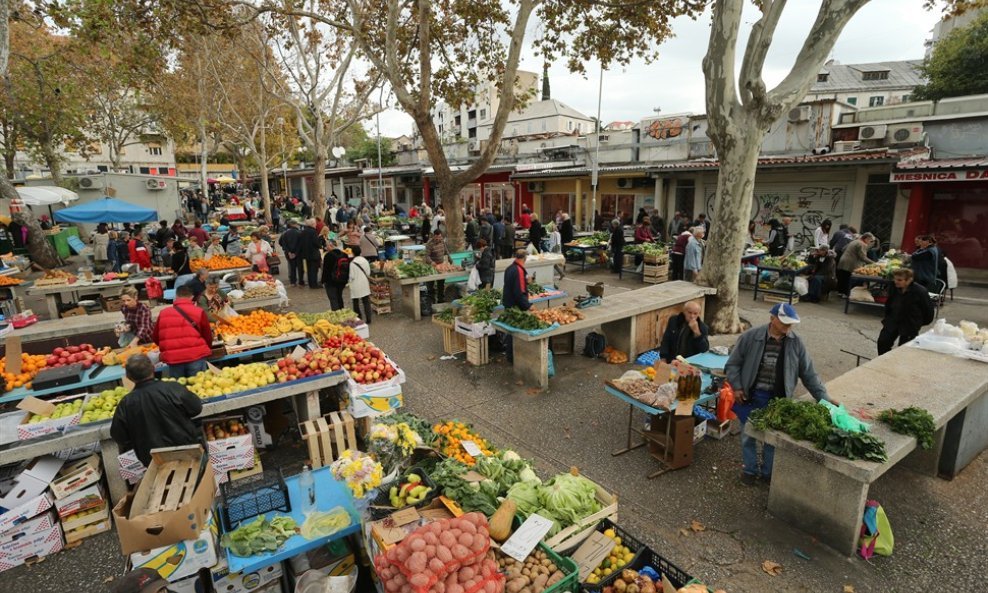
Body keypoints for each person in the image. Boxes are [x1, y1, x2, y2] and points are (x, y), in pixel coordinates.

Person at [725, 303, 833, 485]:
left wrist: (825, 400)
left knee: (773, 440)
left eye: (790, 324)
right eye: (784, 323)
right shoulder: (751, 337)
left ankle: (768, 474)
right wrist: (736, 387)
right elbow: (733, 364)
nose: (788, 328)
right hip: (751, 396)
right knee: (747, 436)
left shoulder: (796, 343)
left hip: (778, 400)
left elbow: (809, 374)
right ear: (772, 319)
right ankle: (750, 471)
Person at [152, 285, 213, 378]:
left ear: (176, 296)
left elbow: (156, 337)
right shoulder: (199, 311)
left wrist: (169, 348)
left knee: (179, 388)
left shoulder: (163, 313)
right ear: (192, 297)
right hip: (195, 356)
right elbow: (207, 336)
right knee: (199, 386)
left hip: (174, 359)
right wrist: (206, 348)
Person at [878, 268, 934, 355]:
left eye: (899, 280)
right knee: (883, 342)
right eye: (895, 279)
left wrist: (917, 323)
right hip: (893, 320)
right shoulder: (894, 287)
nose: (896, 282)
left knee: (904, 350)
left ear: (909, 280)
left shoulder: (920, 291)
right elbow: (889, 303)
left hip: (909, 324)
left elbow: (928, 312)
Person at [501, 249, 532, 363]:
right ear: (525, 258)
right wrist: (528, 305)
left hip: (508, 303)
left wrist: (526, 282)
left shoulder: (510, 268)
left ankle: (510, 356)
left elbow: (512, 284)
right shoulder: (519, 270)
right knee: (516, 332)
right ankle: (514, 357)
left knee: (511, 331)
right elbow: (519, 293)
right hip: (515, 306)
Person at [836, 232, 876, 296]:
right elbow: (863, 257)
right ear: (867, 239)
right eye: (870, 241)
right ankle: (846, 294)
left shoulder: (855, 241)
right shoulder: (862, 244)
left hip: (843, 261)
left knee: (843, 278)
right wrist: (874, 263)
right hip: (850, 264)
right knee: (848, 279)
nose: (870, 243)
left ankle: (840, 292)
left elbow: (843, 249)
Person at [321, 240, 350, 311]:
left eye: (327, 245)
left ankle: (336, 315)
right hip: (342, 280)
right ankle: (342, 312)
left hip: (331, 281)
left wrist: (323, 281)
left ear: (331, 245)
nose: (325, 247)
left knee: (333, 298)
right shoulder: (344, 254)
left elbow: (326, 270)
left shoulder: (328, 255)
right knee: (339, 297)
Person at [348, 252, 372, 324]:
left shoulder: (352, 263)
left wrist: (348, 282)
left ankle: (359, 318)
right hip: (364, 283)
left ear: (353, 253)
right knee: (366, 301)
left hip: (355, 284)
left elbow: (351, 276)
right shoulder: (365, 261)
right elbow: (368, 273)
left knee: (355, 301)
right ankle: (368, 318)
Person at [426, 229, 449, 304]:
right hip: (432, 267)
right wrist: (431, 262)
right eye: (437, 238)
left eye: (439, 237)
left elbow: (446, 251)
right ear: (434, 236)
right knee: (430, 285)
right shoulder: (429, 243)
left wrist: (450, 261)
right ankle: (431, 301)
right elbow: (427, 256)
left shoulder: (442, 241)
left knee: (441, 285)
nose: (438, 239)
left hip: (441, 266)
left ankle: (440, 300)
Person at [299, 219, 322, 288]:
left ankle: (310, 283)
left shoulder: (303, 232)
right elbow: (316, 242)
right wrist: (320, 245)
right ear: (312, 224)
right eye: (315, 223)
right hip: (314, 254)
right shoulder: (313, 232)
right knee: (314, 270)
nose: (316, 225)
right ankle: (314, 284)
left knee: (309, 270)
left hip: (306, 254)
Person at [278, 220, 301, 286]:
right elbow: (300, 244)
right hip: (298, 253)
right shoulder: (299, 233)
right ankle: (300, 281)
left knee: (291, 266)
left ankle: (292, 282)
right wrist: (295, 253)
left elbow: (281, 243)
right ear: (293, 224)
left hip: (288, 253)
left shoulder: (284, 233)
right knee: (299, 267)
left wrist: (288, 252)